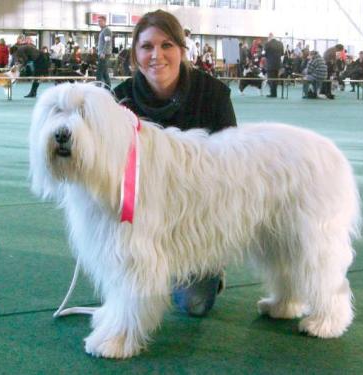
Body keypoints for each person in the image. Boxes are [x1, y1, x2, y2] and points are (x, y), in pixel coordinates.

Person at [113, 9, 237, 316]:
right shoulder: (119, 101)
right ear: (135, 54)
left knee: (194, 305)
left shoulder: (213, 94)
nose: (157, 55)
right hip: (139, 220)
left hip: (197, 216)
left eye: (167, 45)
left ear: (182, 50)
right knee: (131, 287)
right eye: (147, 47)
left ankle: (211, 266)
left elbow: (232, 164)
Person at [263, 33, 284, 98]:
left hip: (270, 64)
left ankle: (273, 93)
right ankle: (275, 93)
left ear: (269, 38)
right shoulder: (280, 43)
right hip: (278, 64)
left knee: (271, 79)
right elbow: (282, 53)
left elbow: (264, 54)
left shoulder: (267, 44)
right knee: (276, 79)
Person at [96, 15, 112, 87]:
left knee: (99, 72)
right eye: (98, 21)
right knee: (105, 73)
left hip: (104, 54)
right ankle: (108, 88)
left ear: (105, 22)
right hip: (102, 54)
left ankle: (97, 88)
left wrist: (103, 52)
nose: (99, 23)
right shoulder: (103, 30)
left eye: (100, 21)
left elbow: (107, 42)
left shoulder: (107, 30)